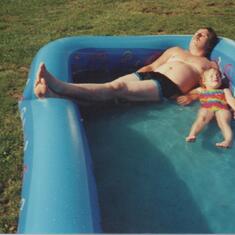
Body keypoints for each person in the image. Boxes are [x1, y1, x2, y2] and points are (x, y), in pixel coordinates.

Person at [34, 27, 219, 104]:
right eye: (196, 32)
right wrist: (137, 74)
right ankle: (53, 96)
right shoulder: (175, 50)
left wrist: (191, 96)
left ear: (209, 44)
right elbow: (153, 66)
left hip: (167, 86)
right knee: (108, 92)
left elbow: (213, 86)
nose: (197, 35)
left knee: (114, 88)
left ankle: (59, 85)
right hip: (149, 76)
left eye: (202, 35)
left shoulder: (207, 64)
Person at [178, 68, 235, 148]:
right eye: (211, 76)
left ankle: (228, 141)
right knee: (202, 118)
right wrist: (189, 97)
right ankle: (192, 135)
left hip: (222, 108)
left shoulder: (225, 90)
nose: (215, 77)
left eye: (218, 76)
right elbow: (190, 94)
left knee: (224, 122)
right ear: (204, 81)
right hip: (207, 108)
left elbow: (230, 99)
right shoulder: (200, 90)